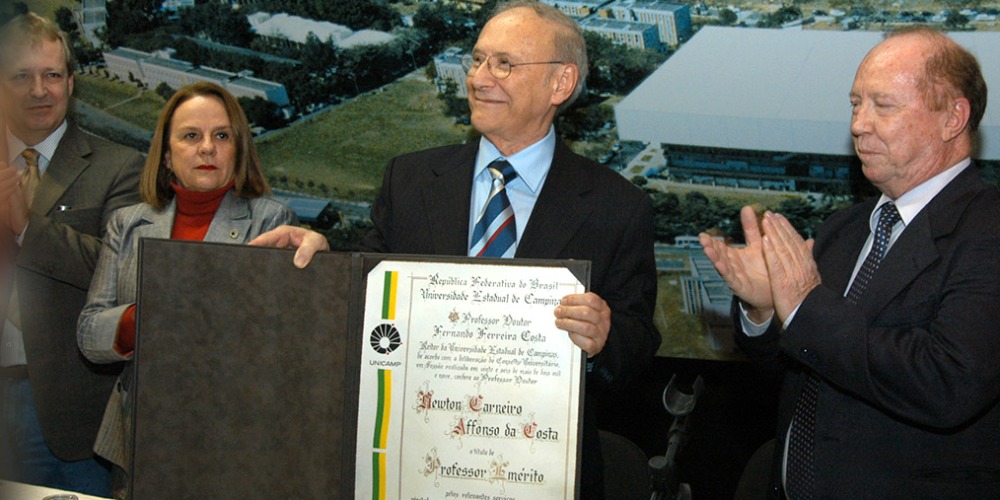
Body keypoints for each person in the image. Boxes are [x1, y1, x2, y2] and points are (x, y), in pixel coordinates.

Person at [264, 2, 658, 497]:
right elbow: (366, 299)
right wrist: (324, 265)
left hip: (538, 473)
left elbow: (638, 348)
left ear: (560, 83)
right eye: (477, 59)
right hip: (409, 463)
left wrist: (603, 338)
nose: (477, 78)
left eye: (504, 64)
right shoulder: (409, 180)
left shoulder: (617, 207)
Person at [700, 27, 999, 498]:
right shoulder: (845, 227)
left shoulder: (987, 229)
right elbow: (800, 369)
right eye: (855, 104)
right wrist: (765, 313)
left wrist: (802, 305)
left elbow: (949, 382)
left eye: (883, 106)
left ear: (953, 117)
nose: (859, 124)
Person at [74, 81, 306, 496]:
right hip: (137, 440)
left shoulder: (272, 222)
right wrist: (143, 320)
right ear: (166, 155)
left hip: (230, 444)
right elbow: (90, 333)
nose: (206, 149)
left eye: (221, 136)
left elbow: (275, 347)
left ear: (239, 150)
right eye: (190, 136)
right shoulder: (127, 223)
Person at [0, 12, 144, 495]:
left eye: (52, 75)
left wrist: (26, 225)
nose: (39, 90)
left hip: (68, 420)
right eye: (22, 76)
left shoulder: (119, 167)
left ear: (71, 82)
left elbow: (119, 273)